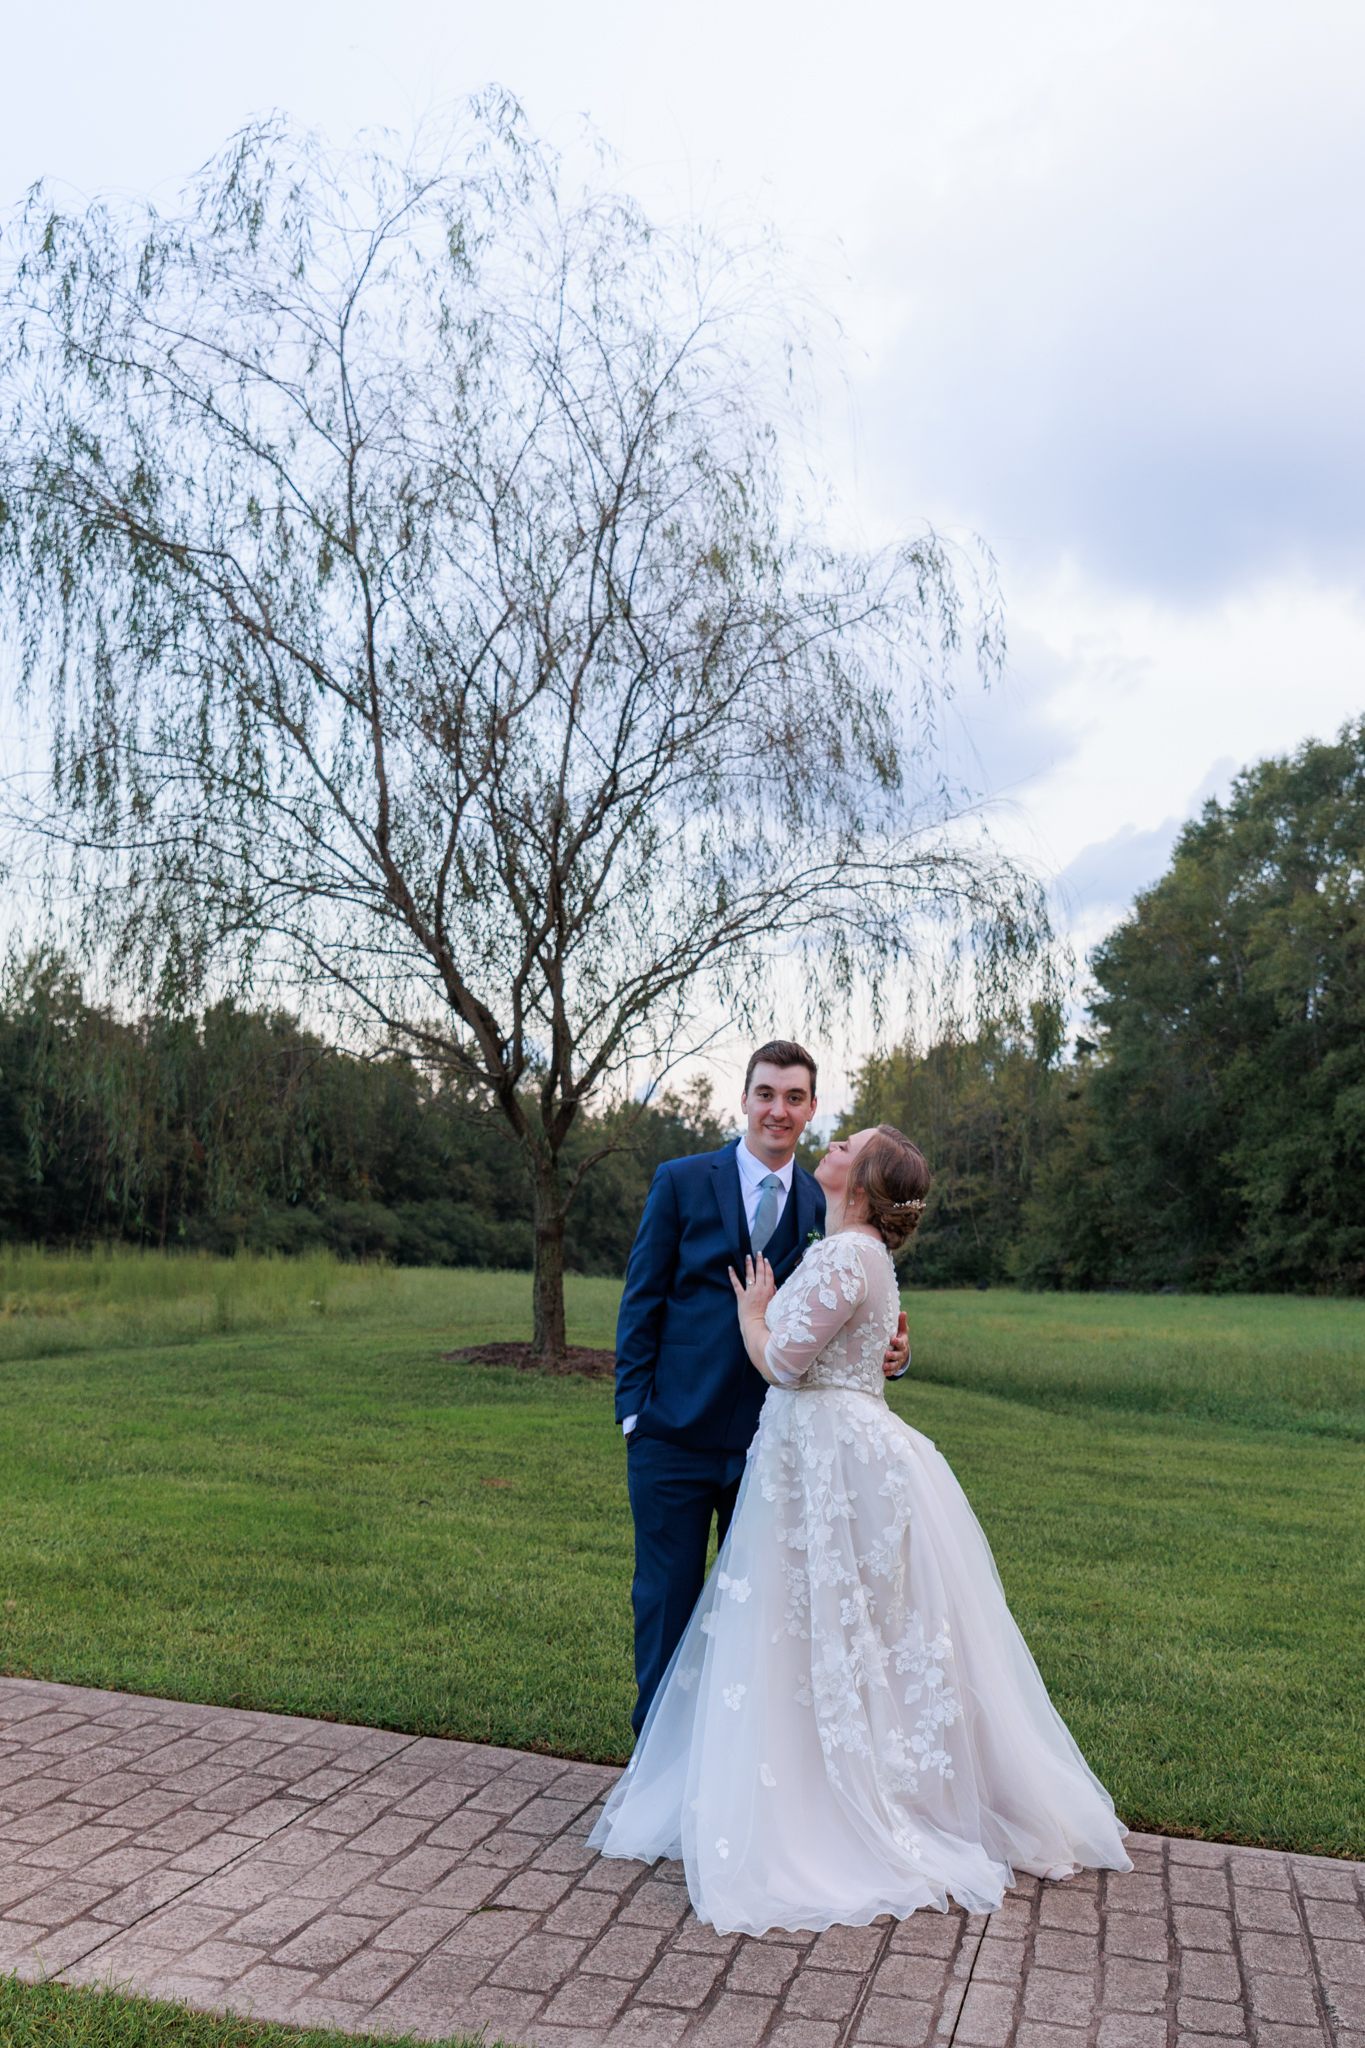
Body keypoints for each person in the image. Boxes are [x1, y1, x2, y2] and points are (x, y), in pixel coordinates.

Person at [590, 1123, 1132, 1935]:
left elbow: (783, 1363)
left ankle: (828, 1801)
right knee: (839, 1632)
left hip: (826, 1459)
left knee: (823, 1628)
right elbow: (859, 1342)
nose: (831, 1144)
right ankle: (815, 1775)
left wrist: (753, 1313)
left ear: (865, 1179)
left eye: (847, 1143)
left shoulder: (846, 1253)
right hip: (820, 1453)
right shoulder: (854, 1251)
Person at [614, 1042, 910, 1737]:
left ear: (810, 1109)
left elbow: (857, 1308)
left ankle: (729, 1761)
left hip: (770, 1449)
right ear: (745, 1099)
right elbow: (641, 1299)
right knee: (666, 1601)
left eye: (794, 1098)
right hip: (672, 1433)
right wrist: (634, 1412)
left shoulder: (826, 1203)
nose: (778, 1110)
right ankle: (654, 1757)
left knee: (757, 1613)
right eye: (767, 1094)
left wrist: (895, 1356)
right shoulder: (682, 1180)